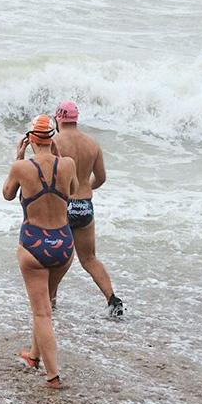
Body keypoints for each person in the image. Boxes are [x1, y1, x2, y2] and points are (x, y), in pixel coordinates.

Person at [2, 114, 78, 390]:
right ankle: (34, 356)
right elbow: (72, 190)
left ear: (30, 138)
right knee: (47, 303)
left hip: (34, 243)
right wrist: (55, 154)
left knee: (41, 312)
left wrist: (19, 157)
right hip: (63, 243)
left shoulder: (21, 167)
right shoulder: (68, 165)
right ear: (52, 138)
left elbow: (8, 194)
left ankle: (53, 376)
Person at [52, 101, 124, 318]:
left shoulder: (54, 143)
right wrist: (84, 189)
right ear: (76, 119)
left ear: (58, 119)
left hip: (62, 205)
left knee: (56, 258)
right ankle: (112, 299)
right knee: (90, 259)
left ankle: (50, 302)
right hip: (84, 206)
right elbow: (101, 178)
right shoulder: (92, 144)